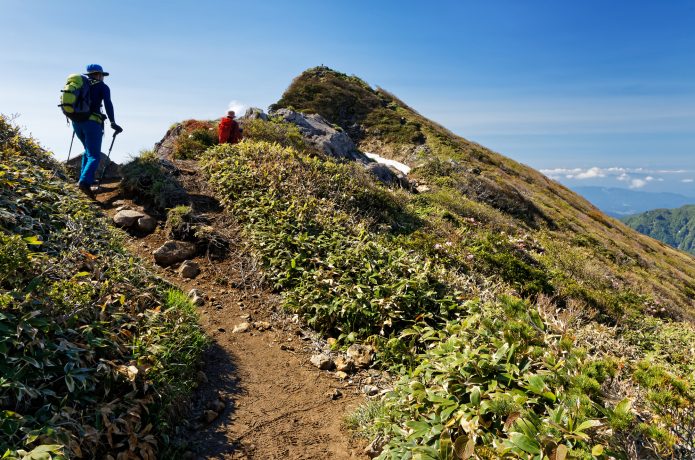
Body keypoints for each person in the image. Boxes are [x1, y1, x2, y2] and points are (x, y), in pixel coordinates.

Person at [73, 64, 122, 198]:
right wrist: (112, 122)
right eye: (102, 75)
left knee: (87, 151)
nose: (103, 78)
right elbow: (108, 104)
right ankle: (84, 182)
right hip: (92, 123)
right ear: (99, 74)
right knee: (94, 155)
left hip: (76, 122)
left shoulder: (80, 85)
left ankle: (82, 179)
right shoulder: (102, 87)